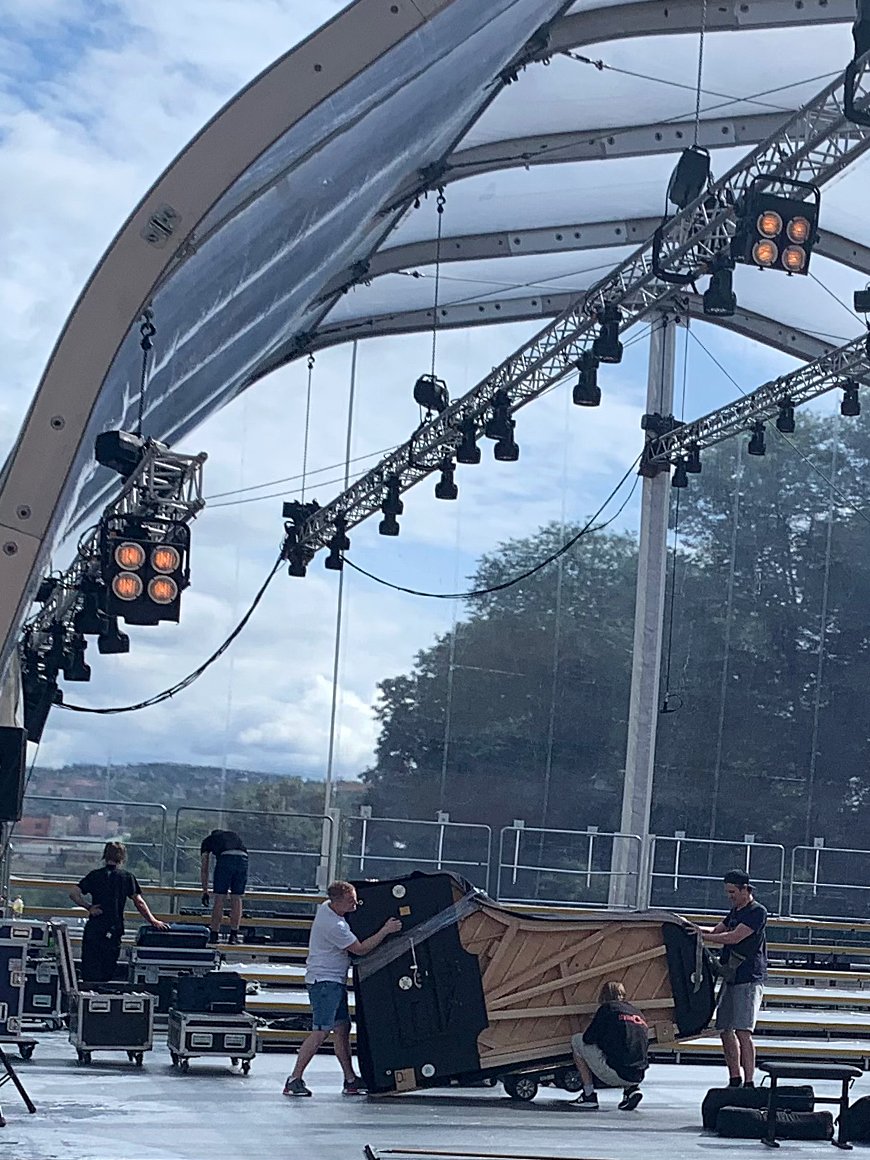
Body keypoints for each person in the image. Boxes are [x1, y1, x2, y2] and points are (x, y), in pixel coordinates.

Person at [283, 880, 402, 1097]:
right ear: (337, 902)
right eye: (350, 901)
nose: (355, 904)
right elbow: (360, 949)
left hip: (334, 981)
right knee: (321, 1032)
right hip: (324, 982)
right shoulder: (334, 926)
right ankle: (294, 1079)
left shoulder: (326, 908)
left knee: (343, 1029)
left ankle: (350, 1079)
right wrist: (385, 930)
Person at [699, 868, 768, 1088]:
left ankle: (749, 1081)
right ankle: (734, 1078)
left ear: (745, 889)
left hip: (748, 977)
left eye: (733, 892)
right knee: (725, 1029)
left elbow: (733, 937)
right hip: (731, 976)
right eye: (728, 892)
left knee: (743, 1031)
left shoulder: (757, 912)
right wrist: (692, 929)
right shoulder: (735, 911)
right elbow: (716, 930)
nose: (730, 896)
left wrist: (703, 936)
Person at [69, 840, 168, 984]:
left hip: (95, 927)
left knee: (90, 966)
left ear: (105, 855)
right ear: (122, 857)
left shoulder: (95, 875)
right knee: (108, 967)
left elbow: (73, 893)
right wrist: (153, 920)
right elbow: (139, 902)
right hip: (114, 927)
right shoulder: (126, 877)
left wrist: (89, 907)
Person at [571, 980, 648, 1111]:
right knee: (625, 1050)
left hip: (616, 1074)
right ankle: (631, 1090)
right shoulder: (636, 1012)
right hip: (639, 1074)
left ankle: (589, 1095)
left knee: (577, 1040)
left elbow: (588, 1038)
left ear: (603, 995)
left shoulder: (607, 1009)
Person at [200, 828, 248, 945]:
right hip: (243, 858)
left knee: (219, 897)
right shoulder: (233, 835)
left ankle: (214, 934)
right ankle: (234, 935)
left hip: (226, 859)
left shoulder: (207, 841)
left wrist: (205, 891)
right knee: (237, 897)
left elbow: (204, 868)